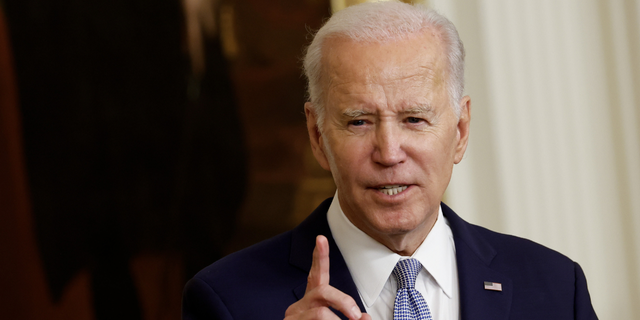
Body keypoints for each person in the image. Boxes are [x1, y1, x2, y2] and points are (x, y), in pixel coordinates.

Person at [182, 1, 598, 319]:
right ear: (317, 135)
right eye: (359, 122)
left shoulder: (557, 288)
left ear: (460, 131)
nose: (389, 152)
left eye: (414, 119)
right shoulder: (226, 301)